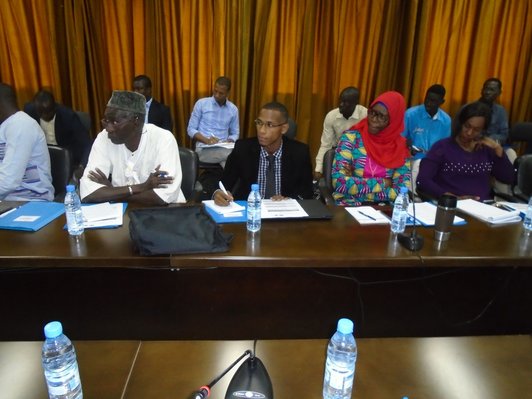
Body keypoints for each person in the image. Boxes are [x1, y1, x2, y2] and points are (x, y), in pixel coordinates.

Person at [80, 91, 185, 205]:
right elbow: (87, 192)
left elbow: (162, 197)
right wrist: (141, 187)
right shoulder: (104, 137)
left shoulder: (163, 139)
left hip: (166, 212)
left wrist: (111, 191)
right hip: (123, 213)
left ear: (137, 121)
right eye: (106, 121)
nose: (108, 129)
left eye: (115, 122)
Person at [213, 101, 313, 205]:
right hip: (250, 211)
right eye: (259, 123)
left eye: (269, 125)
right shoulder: (243, 149)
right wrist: (218, 193)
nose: (261, 130)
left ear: (283, 129)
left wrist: (289, 201)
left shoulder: (300, 153)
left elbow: (307, 192)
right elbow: (223, 183)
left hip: (284, 214)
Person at [417, 101, 514, 201]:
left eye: (476, 130)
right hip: (453, 206)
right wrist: (451, 197)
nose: (469, 132)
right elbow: (423, 180)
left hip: (484, 208)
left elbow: (508, 178)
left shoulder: (486, 149)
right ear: (460, 123)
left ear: (483, 130)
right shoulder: (442, 147)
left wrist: (497, 149)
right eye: (467, 126)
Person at [332, 91, 411, 206]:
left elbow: (400, 191)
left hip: (385, 209)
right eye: (372, 113)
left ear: (393, 120)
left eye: (381, 116)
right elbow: (339, 183)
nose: (373, 119)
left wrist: (356, 186)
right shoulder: (351, 138)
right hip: (350, 205)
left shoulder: (401, 148)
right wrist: (384, 182)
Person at [0, 83, 54, 201]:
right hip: (9, 202)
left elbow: (8, 181)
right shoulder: (5, 126)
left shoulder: (21, 124)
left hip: (30, 201)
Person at [402, 84, 451, 195]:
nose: (428, 103)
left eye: (433, 101)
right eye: (427, 99)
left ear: (442, 102)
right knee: (418, 164)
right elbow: (401, 138)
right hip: (412, 157)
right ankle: (413, 196)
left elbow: (446, 146)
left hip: (434, 160)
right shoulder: (411, 114)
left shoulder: (446, 120)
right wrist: (408, 147)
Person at [24, 90, 92, 168]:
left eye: (48, 112)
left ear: (55, 107)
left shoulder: (68, 116)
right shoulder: (29, 111)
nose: (44, 116)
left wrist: (81, 166)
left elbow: (86, 143)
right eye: (41, 112)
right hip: (41, 157)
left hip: (65, 157)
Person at [314, 87, 368, 180]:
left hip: (360, 154)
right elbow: (326, 144)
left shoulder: (365, 115)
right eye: (340, 101)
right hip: (338, 153)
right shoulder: (331, 116)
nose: (341, 104)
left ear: (356, 103)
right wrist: (318, 169)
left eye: (346, 102)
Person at [187, 76, 239, 167]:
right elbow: (190, 129)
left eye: (221, 93)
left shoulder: (233, 109)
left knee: (228, 161)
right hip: (204, 149)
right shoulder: (201, 104)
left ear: (228, 93)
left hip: (224, 147)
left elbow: (235, 133)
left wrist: (230, 140)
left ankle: (225, 181)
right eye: (215, 91)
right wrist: (207, 140)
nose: (217, 95)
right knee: (233, 157)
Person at [475, 78, 509, 144]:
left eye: (492, 90)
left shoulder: (501, 111)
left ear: (499, 93)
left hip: (492, 144)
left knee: (511, 153)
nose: (488, 92)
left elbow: (504, 135)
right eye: (486, 89)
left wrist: (487, 139)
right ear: (481, 90)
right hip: (471, 144)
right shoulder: (468, 108)